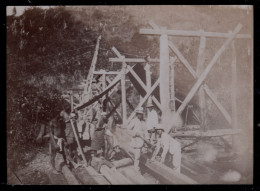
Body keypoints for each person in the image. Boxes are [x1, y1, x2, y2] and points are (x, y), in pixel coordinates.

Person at [128, 107, 147, 173]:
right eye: (139, 114)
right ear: (136, 114)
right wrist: (135, 133)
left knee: (138, 156)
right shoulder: (133, 121)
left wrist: (147, 139)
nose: (140, 115)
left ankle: (137, 168)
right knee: (137, 156)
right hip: (135, 140)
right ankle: (136, 170)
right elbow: (128, 130)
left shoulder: (143, 122)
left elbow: (145, 131)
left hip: (141, 141)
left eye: (141, 114)